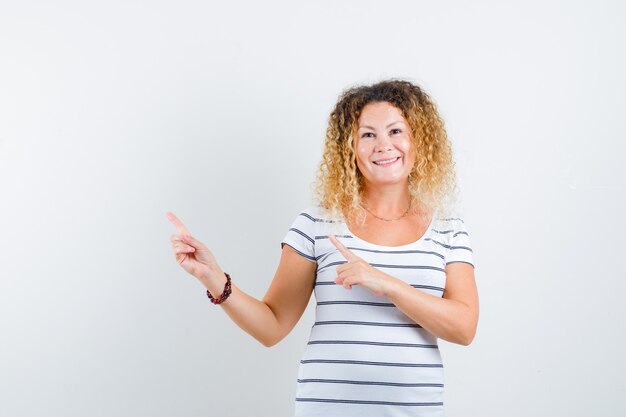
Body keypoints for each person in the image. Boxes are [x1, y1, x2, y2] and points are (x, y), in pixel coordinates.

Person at [166, 79, 479, 417]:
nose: (383, 146)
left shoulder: (448, 228)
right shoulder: (316, 224)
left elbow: (464, 328)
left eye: (395, 131)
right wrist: (214, 279)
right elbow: (272, 327)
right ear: (350, 147)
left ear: (418, 139)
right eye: (367, 134)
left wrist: (387, 285)